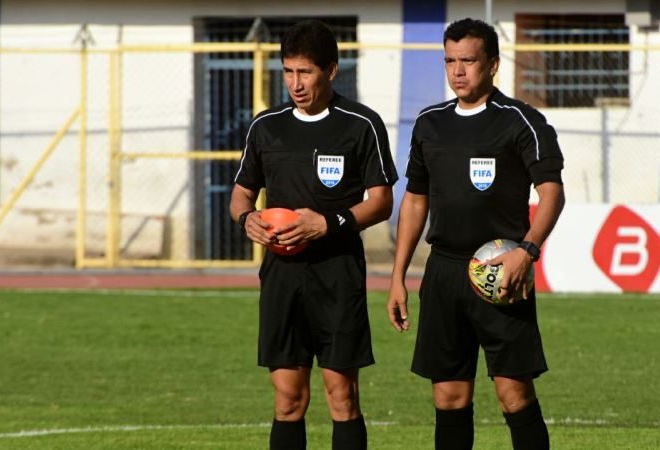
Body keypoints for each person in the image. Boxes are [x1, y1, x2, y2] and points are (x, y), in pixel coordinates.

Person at [386, 18, 565, 450]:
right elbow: (414, 200)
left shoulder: (522, 121)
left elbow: (552, 193)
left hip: (501, 271)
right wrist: (398, 276)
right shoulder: (430, 123)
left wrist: (528, 251)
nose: (457, 71)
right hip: (444, 272)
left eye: (468, 61)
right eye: (450, 61)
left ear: (493, 64)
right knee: (449, 396)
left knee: (513, 393)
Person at [230, 19, 398, 450]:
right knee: (288, 401)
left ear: (332, 70)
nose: (295, 83)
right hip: (283, 277)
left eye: (305, 72)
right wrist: (247, 217)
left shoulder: (361, 124)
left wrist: (329, 223)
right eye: (288, 71)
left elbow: (381, 201)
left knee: (342, 397)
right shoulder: (266, 126)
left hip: (337, 274)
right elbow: (240, 194)